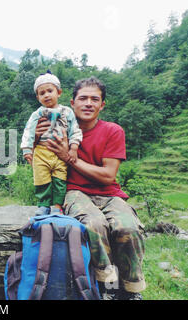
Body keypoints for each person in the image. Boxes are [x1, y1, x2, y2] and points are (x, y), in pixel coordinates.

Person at [38, 76, 146, 300]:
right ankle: (106, 285)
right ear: (72, 102)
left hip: (109, 194)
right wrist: (38, 138)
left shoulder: (113, 131)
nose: (88, 103)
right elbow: (41, 161)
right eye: (83, 98)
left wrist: (69, 157)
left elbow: (108, 176)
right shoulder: (59, 128)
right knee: (94, 224)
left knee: (128, 228)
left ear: (102, 105)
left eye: (94, 99)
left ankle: (132, 289)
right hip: (74, 191)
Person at [21, 71, 82, 215]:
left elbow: (74, 131)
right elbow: (29, 130)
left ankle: (57, 206)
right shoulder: (37, 114)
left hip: (60, 153)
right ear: (38, 97)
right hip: (41, 151)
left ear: (59, 92)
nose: (46, 95)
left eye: (50, 91)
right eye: (42, 93)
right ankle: (43, 205)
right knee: (42, 179)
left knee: (60, 179)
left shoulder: (67, 112)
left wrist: (73, 149)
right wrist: (27, 150)